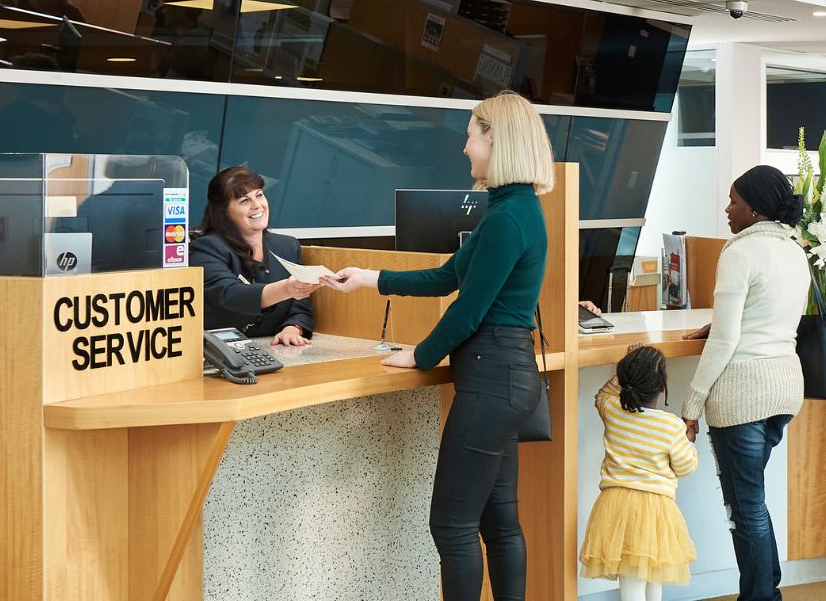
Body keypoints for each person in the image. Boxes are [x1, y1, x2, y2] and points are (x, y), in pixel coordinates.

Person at [320, 92, 554, 601]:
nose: (465, 147)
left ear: (495, 137)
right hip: (507, 380)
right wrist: (370, 277)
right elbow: (449, 274)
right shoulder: (513, 208)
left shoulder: (509, 217)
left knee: (451, 525)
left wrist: (420, 355)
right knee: (499, 523)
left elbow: (468, 309)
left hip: (493, 380)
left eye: (471, 134)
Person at [678, 165, 809, 601]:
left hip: (743, 395)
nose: (727, 208)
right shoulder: (795, 248)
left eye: (733, 200)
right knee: (751, 500)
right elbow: (766, 312)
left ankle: (762, 597)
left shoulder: (739, 252)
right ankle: (764, 591)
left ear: (753, 209)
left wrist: (690, 406)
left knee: (745, 505)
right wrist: (717, 323)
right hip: (784, 388)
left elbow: (728, 340)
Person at [581, 346, 699, 601]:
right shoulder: (671, 426)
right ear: (663, 387)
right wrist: (689, 441)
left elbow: (602, 394)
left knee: (632, 580)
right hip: (656, 509)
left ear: (624, 382)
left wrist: (622, 372)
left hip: (616, 505)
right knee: (653, 574)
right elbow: (686, 467)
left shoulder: (612, 410)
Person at [190, 167, 318, 345]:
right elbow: (229, 294)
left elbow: (300, 307)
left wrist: (292, 328)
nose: (257, 205)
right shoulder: (205, 248)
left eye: (259, 195)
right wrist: (286, 288)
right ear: (224, 212)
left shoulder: (287, 246)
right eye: (244, 200)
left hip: (276, 350)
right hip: (219, 353)